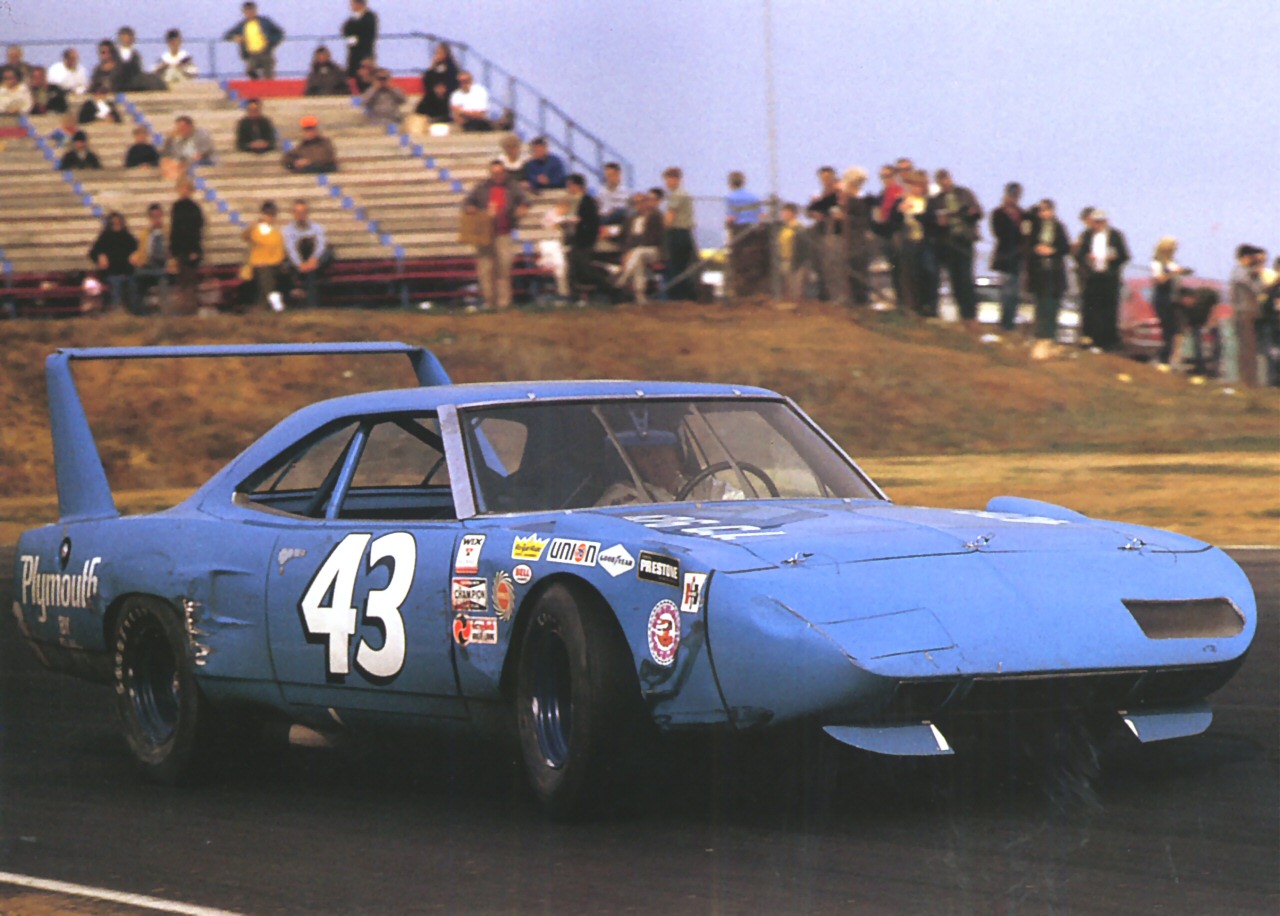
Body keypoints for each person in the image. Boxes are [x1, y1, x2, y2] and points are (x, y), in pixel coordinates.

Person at [462, 159, 529, 310]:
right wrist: (471, 208)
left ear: (504, 172)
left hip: (504, 233)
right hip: (485, 234)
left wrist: (522, 207)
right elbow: (467, 202)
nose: (497, 175)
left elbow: (524, 200)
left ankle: (504, 303)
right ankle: (489, 301)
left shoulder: (512, 186)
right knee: (485, 269)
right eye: (494, 173)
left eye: (500, 172)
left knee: (504, 269)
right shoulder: (481, 187)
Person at [930, 168, 983, 326]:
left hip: (964, 240)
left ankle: (971, 315)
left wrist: (969, 213)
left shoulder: (964, 193)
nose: (945, 183)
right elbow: (934, 221)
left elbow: (978, 212)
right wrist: (940, 222)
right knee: (955, 280)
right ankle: (963, 314)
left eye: (946, 179)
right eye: (941, 180)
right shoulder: (937, 200)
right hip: (948, 242)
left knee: (966, 278)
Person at [1075, 209, 1131, 350]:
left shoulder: (1116, 236)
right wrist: (1087, 259)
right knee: (1090, 308)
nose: (1098, 224)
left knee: (1109, 309)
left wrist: (1114, 259)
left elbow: (1125, 255)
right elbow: (1079, 255)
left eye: (1101, 221)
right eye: (1095, 222)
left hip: (1109, 278)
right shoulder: (1087, 235)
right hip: (1092, 277)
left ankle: (1107, 341)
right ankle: (1089, 337)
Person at [888, 170, 939, 316]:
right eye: (912, 185)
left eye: (918, 185)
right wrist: (899, 211)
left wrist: (919, 217)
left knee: (928, 272)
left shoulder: (929, 202)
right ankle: (911, 306)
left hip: (925, 242)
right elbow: (892, 221)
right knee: (909, 274)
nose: (915, 188)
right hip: (907, 242)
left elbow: (933, 220)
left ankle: (929, 307)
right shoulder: (901, 201)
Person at [1025, 199, 1070, 360]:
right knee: (1040, 305)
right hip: (1038, 272)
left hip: (1054, 272)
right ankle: (1040, 337)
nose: (1044, 213)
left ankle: (1050, 338)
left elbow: (1065, 247)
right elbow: (1027, 242)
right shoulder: (1034, 226)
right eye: (1041, 210)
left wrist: (1052, 250)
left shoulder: (1059, 227)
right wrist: (1037, 249)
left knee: (1052, 305)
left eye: (1046, 210)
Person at [564, 173, 610, 304]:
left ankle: (608, 289)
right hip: (577, 241)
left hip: (584, 241)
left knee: (585, 269)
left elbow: (591, 223)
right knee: (573, 270)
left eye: (570, 185)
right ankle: (574, 297)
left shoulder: (587, 202)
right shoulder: (576, 201)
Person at [1225, 244, 1266, 388]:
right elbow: (1256, 289)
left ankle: (1250, 379)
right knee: (1247, 348)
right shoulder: (1240, 272)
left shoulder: (1246, 272)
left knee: (1250, 348)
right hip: (1244, 312)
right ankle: (1247, 380)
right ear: (1247, 257)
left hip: (1248, 313)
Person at [1150, 237, 1192, 370]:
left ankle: (1169, 357)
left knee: (1175, 329)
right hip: (1163, 298)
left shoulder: (1173, 262)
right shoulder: (1157, 263)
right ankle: (1163, 358)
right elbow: (1159, 280)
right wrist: (1172, 273)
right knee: (1167, 328)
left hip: (1173, 298)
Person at [616, 189, 664, 305]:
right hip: (636, 253)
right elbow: (625, 239)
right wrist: (626, 253)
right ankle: (640, 296)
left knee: (638, 253)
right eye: (636, 203)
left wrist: (633, 250)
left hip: (653, 250)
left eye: (642, 202)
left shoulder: (655, 216)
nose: (639, 205)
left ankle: (622, 281)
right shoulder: (630, 219)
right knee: (637, 259)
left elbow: (654, 239)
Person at [989, 182, 1025, 332]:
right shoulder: (998, 213)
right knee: (1006, 291)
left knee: (1014, 292)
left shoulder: (1022, 214)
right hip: (1005, 255)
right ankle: (1004, 322)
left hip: (1017, 257)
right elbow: (999, 233)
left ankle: (1009, 322)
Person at [806, 166, 846, 303]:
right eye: (823, 178)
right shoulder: (823, 195)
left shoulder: (839, 194)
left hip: (836, 235)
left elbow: (838, 213)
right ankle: (827, 297)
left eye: (828, 178)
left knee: (835, 266)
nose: (825, 181)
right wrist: (814, 213)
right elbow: (810, 210)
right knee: (823, 267)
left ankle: (839, 297)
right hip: (822, 235)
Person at [282, 199, 332, 308]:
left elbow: (321, 245)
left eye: (303, 212)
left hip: (314, 261)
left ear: (307, 213)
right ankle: (311, 303)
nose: (301, 215)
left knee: (328, 252)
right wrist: (300, 264)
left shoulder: (317, 227)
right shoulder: (288, 230)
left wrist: (313, 260)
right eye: (298, 212)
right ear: (294, 214)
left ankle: (311, 303)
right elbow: (291, 249)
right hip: (298, 263)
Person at [724, 170, 765, 297]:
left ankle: (738, 291)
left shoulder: (731, 197)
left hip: (739, 230)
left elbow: (731, 218)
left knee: (737, 261)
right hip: (754, 231)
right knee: (753, 260)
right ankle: (753, 290)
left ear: (731, 183)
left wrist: (728, 226)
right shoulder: (753, 197)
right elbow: (762, 215)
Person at [88, 211, 139, 313]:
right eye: (114, 223)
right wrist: (100, 256)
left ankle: (134, 311)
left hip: (127, 271)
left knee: (133, 284)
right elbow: (92, 253)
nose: (117, 225)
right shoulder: (105, 238)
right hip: (112, 272)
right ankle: (117, 311)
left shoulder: (128, 237)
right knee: (116, 283)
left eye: (119, 223)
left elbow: (139, 250)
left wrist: (136, 255)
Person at [243, 200, 286, 312]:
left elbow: (279, 255)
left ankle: (266, 304)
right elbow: (245, 237)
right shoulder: (256, 231)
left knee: (267, 275)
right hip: (256, 265)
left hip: (271, 265)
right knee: (265, 275)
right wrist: (253, 225)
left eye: (271, 215)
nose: (269, 217)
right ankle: (273, 304)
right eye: (267, 214)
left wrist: (269, 262)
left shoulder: (277, 234)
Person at [169, 177, 204, 315]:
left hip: (191, 248)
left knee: (190, 281)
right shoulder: (176, 207)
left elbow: (195, 230)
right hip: (180, 249)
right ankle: (183, 309)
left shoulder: (194, 208)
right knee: (182, 281)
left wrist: (194, 249)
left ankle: (191, 309)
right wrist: (173, 251)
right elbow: (175, 229)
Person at [841, 167, 875, 307]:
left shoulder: (862, 199)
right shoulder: (846, 199)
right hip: (848, 239)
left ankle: (862, 301)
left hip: (858, 240)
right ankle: (854, 300)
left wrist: (846, 218)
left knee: (859, 270)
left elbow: (864, 221)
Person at [224, 2, 286, 80]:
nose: (250, 13)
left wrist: (271, 41)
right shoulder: (242, 25)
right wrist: (235, 38)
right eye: (247, 12)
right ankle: (258, 85)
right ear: (243, 12)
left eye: (252, 11)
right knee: (250, 71)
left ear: (256, 11)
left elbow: (279, 33)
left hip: (265, 52)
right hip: (251, 54)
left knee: (268, 75)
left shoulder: (264, 22)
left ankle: (269, 89)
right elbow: (226, 35)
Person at [662, 166, 697, 301]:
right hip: (684, 232)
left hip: (678, 233)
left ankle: (680, 297)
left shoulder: (677, 195)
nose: (667, 182)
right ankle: (684, 296)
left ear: (676, 179)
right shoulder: (683, 194)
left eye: (669, 179)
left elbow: (670, 217)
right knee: (682, 265)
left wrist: (663, 228)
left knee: (676, 266)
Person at [132, 202, 170, 313]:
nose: (156, 219)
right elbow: (142, 251)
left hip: (163, 264)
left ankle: (166, 311)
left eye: (158, 216)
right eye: (153, 216)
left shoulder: (168, 232)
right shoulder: (145, 234)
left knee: (163, 278)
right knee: (136, 278)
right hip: (148, 264)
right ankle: (140, 310)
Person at [776, 202, 813, 302]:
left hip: (797, 262)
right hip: (785, 260)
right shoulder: (783, 229)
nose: (783, 214)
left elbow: (804, 248)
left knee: (797, 288)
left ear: (792, 213)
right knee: (788, 287)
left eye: (786, 212)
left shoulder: (799, 229)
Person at [415, 42, 458, 123]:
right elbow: (427, 80)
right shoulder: (432, 70)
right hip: (432, 95)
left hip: (447, 95)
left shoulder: (452, 69)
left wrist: (446, 88)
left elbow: (454, 81)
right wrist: (435, 88)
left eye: (441, 53)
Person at [342, 0, 378, 80]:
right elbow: (346, 30)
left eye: (352, 4)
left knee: (365, 79)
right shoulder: (353, 18)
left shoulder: (369, 17)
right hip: (353, 54)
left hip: (365, 54)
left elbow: (365, 34)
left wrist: (354, 37)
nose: (351, 6)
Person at [597, 161, 630, 226]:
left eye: (611, 175)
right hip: (603, 218)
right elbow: (598, 208)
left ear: (618, 175)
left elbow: (624, 210)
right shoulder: (601, 192)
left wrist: (611, 212)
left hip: (618, 219)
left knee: (621, 212)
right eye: (607, 176)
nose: (609, 178)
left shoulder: (625, 192)